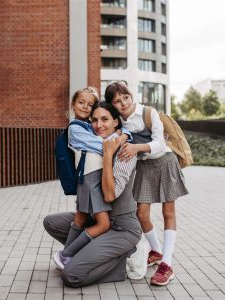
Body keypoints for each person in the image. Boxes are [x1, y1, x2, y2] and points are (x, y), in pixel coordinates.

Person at [44, 101, 141, 287]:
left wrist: (108, 154)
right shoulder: (94, 143)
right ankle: (92, 253)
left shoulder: (126, 151)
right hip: (97, 221)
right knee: (51, 222)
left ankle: (119, 263)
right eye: (94, 120)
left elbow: (110, 195)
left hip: (122, 228)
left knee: (71, 276)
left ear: (116, 122)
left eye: (105, 119)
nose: (99, 125)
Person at [104, 82, 189, 286]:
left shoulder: (148, 113)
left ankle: (166, 265)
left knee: (168, 212)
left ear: (131, 95)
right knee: (142, 214)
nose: (123, 102)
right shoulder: (120, 122)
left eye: (125, 97)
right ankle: (157, 251)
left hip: (164, 162)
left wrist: (136, 148)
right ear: (112, 104)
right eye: (117, 100)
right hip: (144, 167)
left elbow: (160, 142)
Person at [54, 87, 129, 270]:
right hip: (90, 180)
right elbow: (102, 146)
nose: (86, 107)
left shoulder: (89, 126)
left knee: (80, 219)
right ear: (73, 105)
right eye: (81, 103)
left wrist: (122, 133)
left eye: (90, 105)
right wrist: (119, 136)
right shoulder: (75, 129)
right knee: (103, 224)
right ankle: (66, 255)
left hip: (90, 179)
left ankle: (65, 257)